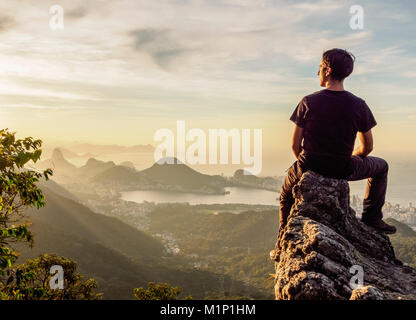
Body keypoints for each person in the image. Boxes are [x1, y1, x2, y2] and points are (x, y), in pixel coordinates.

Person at [279, 48, 396, 235]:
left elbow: (294, 145)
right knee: (382, 167)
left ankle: (284, 233)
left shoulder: (308, 102)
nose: (317, 72)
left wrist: (308, 166)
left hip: (308, 165)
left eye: (319, 67)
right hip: (342, 168)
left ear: (327, 70)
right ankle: (372, 218)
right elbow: (367, 147)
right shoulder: (359, 105)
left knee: (286, 196)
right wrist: (350, 157)